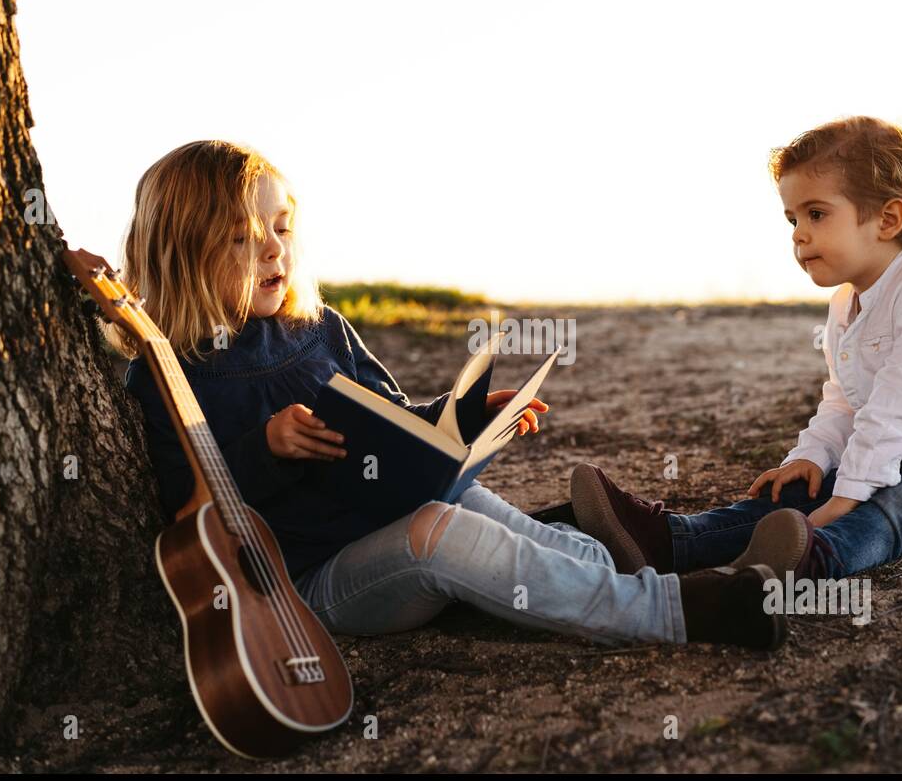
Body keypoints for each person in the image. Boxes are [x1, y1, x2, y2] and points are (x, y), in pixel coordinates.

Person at [113, 139, 786, 650]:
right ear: (183, 252)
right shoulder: (169, 374)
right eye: (243, 239)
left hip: (390, 520)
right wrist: (264, 448)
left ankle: (634, 566)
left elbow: (390, 423)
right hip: (311, 587)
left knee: (455, 491)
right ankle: (678, 610)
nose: (274, 255)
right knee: (442, 527)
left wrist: (457, 421)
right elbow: (188, 524)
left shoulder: (318, 330)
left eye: (282, 229)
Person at [570, 116, 902, 582]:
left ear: (888, 218)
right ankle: (672, 540)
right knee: (799, 491)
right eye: (792, 218)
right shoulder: (847, 303)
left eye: (816, 214)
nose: (799, 234)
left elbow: (899, 409)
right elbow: (844, 401)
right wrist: (812, 457)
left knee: (898, 503)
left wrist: (846, 498)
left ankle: (816, 558)